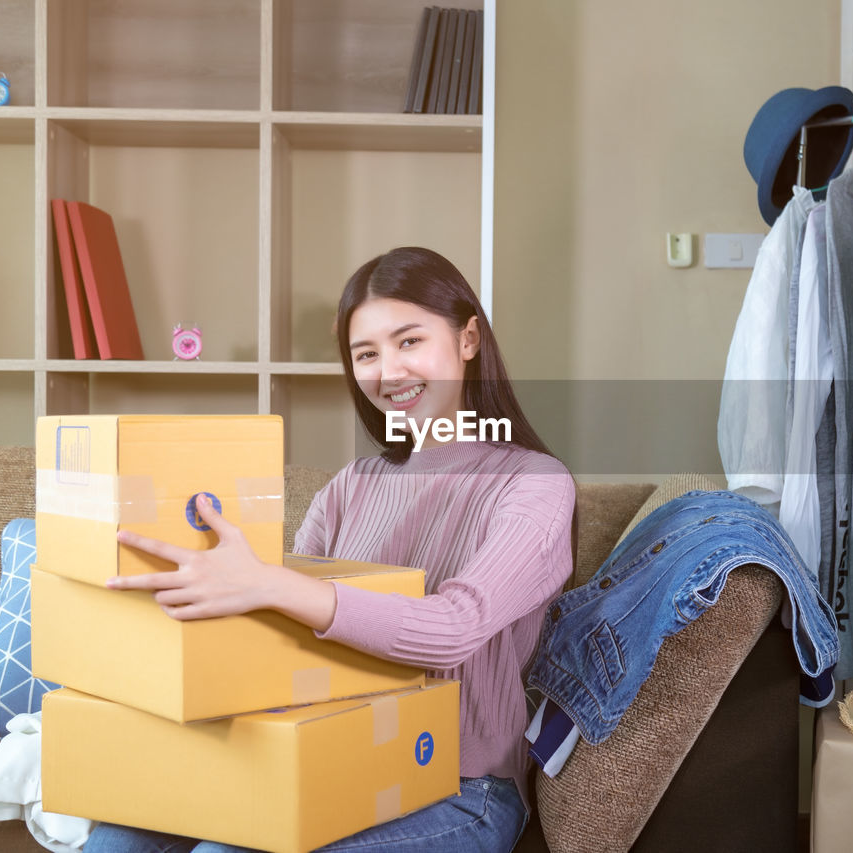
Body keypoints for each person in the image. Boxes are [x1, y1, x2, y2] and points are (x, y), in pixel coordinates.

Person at [84, 247, 577, 853]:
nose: (388, 372)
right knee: (117, 832)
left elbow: (452, 628)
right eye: (366, 354)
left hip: (458, 786)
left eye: (409, 341)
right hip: (329, 752)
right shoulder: (352, 485)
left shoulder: (535, 483)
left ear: (468, 339)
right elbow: (281, 630)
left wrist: (270, 582)